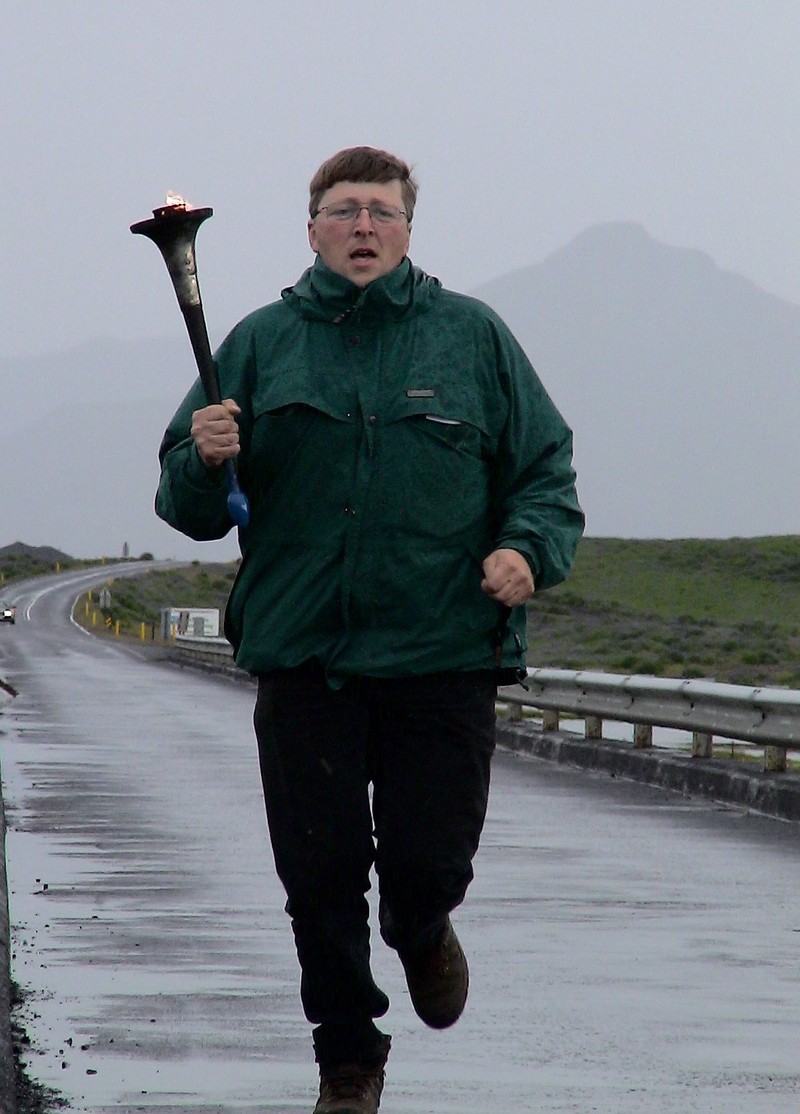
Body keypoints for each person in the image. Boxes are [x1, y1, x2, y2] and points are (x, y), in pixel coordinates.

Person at [156, 146, 584, 1114]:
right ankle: (347, 1058)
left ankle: (423, 921)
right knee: (317, 874)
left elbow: (543, 474)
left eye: (380, 212)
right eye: (343, 210)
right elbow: (192, 506)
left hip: (442, 653)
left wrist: (527, 550)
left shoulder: (472, 338)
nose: (362, 226)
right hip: (306, 655)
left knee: (429, 860)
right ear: (310, 228)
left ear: (405, 228)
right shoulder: (260, 343)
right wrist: (201, 454)